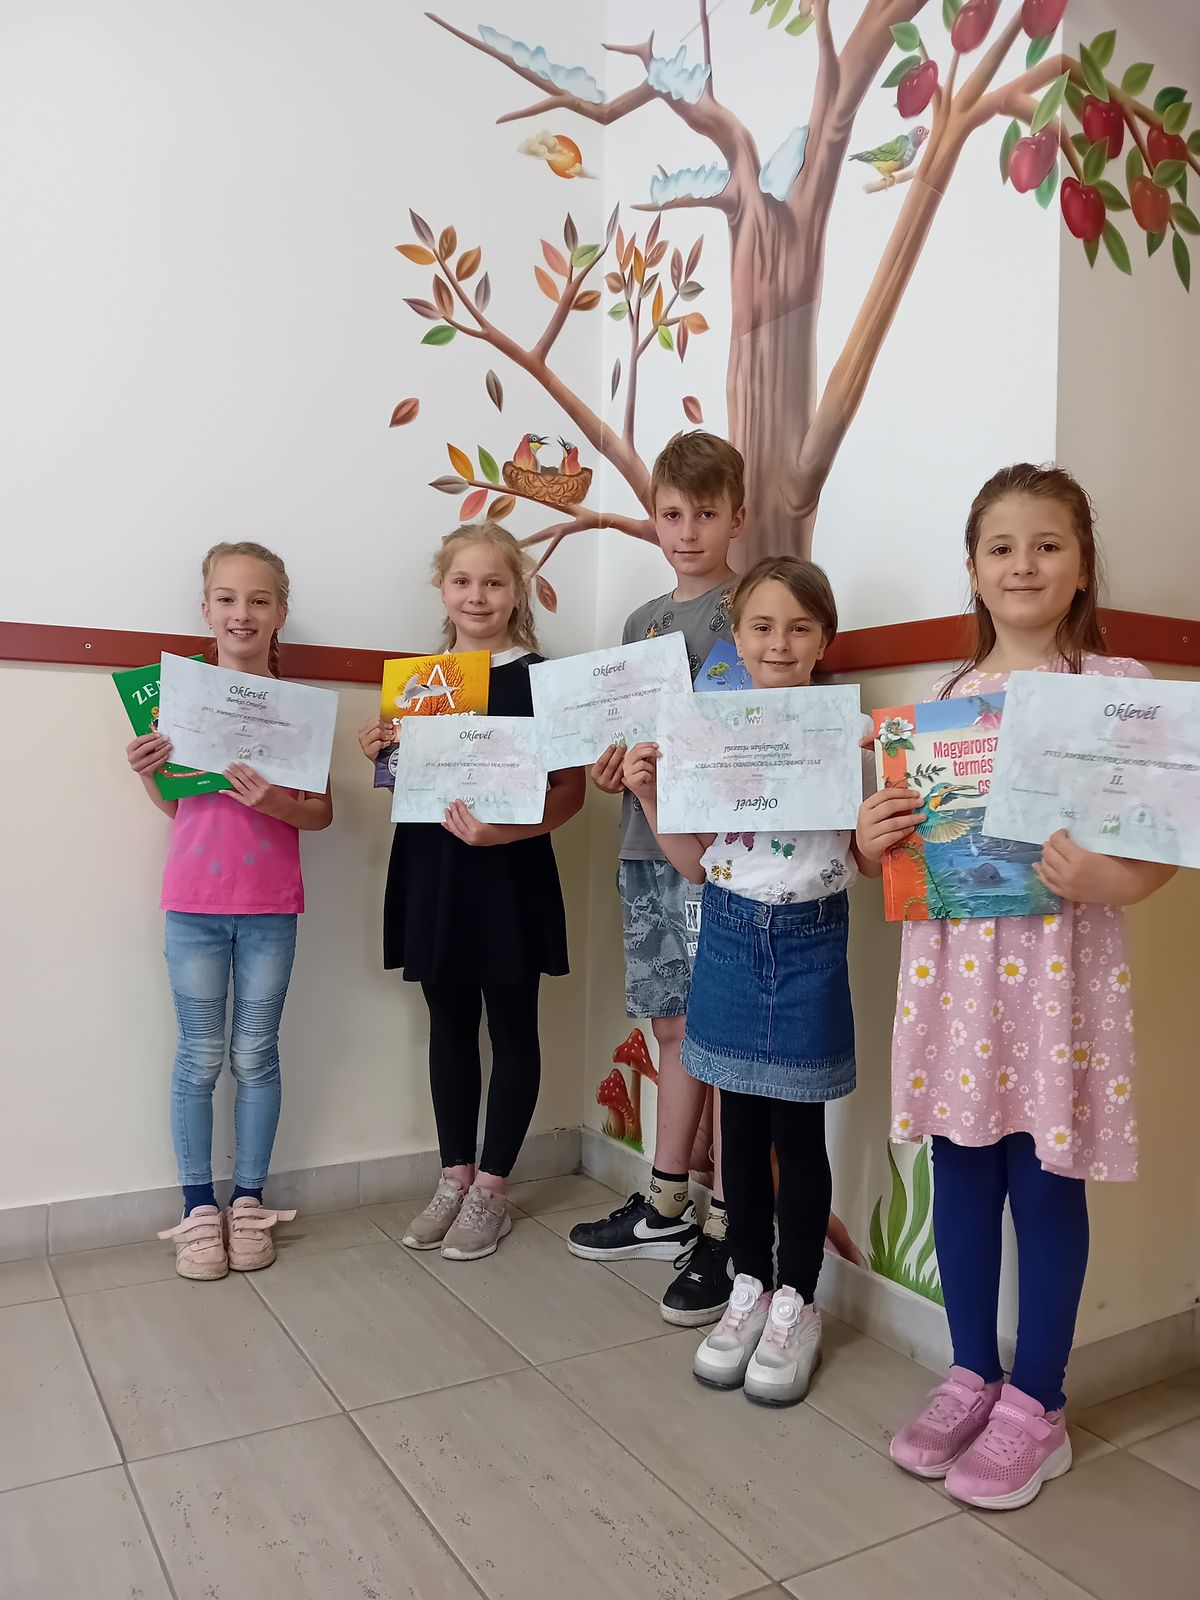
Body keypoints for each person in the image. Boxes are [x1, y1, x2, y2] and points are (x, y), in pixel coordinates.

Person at [856, 464, 1177, 1510]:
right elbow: (902, 861)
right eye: (1002, 547)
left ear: (1082, 566)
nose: (1024, 564)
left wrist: (1113, 880)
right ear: (973, 568)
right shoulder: (939, 705)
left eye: (1047, 545)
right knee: (958, 1170)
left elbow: (1160, 846)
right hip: (954, 977)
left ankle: (1038, 1402)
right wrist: (871, 840)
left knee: (1046, 1179)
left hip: (1060, 976)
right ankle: (970, 1373)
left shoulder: (1115, 685)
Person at [624, 556, 865, 1404]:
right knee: (741, 1127)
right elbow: (695, 864)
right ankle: (749, 1286)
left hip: (809, 937)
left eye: (800, 628)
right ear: (736, 635)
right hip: (729, 929)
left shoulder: (847, 731)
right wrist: (652, 798)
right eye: (761, 626)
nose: (780, 643)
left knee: (797, 1131)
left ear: (824, 639)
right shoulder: (708, 730)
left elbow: (869, 853)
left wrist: (877, 781)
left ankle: (798, 1300)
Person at [359, 522, 584, 1261]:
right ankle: (453, 1176)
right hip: (433, 868)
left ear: (518, 591)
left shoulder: (545, 679)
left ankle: (492, 1190)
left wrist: (505, 834)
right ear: (442, 588)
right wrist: (383, 752)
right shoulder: (419, 684)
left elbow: (570, 793)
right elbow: (405, 782)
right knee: (448, 1022)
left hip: (509, 871)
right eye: (462, 581)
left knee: (513, 1026)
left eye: (493, 582)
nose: (477, 596)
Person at [567, 431, 743, 1326]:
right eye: (672, 514)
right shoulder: (638, 624)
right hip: (643, 846)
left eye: (706, 513)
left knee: (721, 1035)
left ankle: (724, 1217)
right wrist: (611, 770)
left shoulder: (750, 608)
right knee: (670, 1023)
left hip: (714, 853)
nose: (687, 531)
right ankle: (667, 1198)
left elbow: (750, 739)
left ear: (735, 516)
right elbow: (615, 738)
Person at [125, 542, 333, 1280]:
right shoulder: (173, 700)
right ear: (206, 608)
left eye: (258, 600)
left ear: (280, 612)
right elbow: (176, 803)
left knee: (255, 1054)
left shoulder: (299, 710)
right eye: (226, 598)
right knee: (200, 1057)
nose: (241, 613)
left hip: (271, 906)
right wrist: (149, 774)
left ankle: (248, 1201)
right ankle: (197, 1209)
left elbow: (320, 814)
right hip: (194, 905)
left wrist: (273, 800)